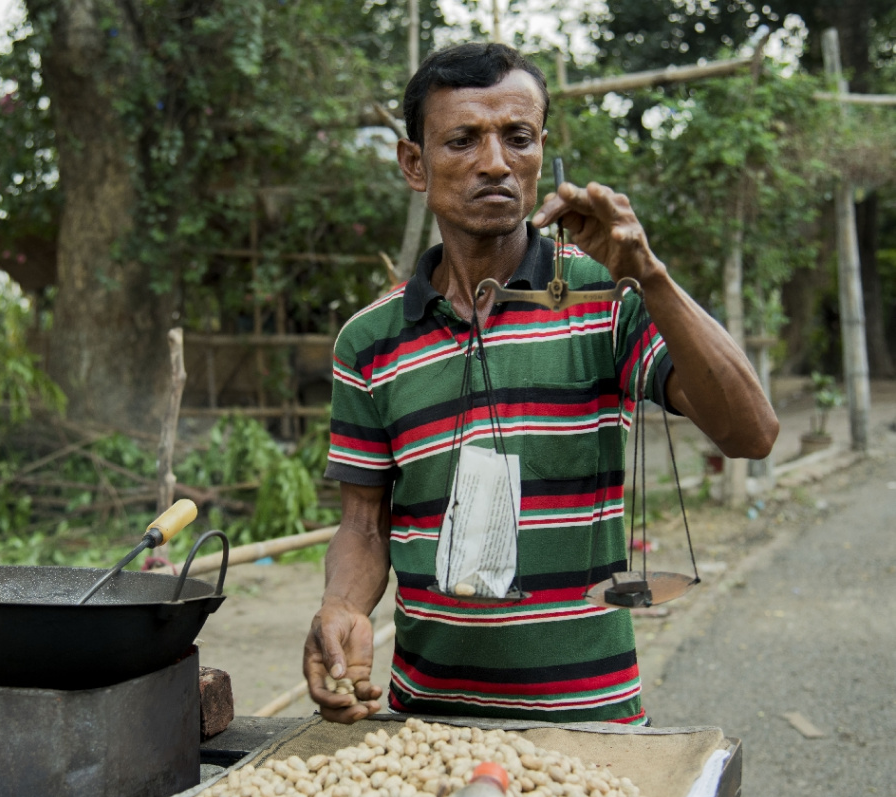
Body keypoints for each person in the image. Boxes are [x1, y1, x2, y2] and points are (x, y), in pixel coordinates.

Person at [301, 42, 778, 726]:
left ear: (541, 150)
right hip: (423, 721)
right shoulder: (371, 340)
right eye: (463, 139)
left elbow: (752, 432)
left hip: (590, 718)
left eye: (517, 138)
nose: (495, 162)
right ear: (415, 163)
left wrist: (652, 277)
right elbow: (362, 523)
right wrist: (343, 607)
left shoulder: (606, 297)